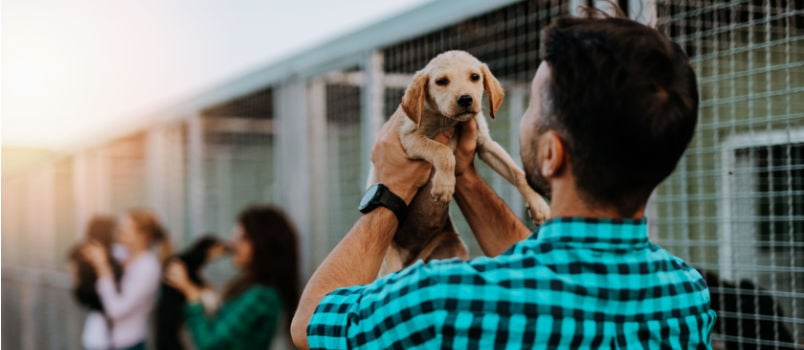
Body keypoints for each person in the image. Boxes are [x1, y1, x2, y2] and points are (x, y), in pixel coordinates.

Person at [291, 14, 716, 349]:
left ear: (552, 153)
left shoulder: (443, 300)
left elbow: (312, 324)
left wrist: (389, 191)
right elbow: (545, 268)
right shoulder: (686, 295)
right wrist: (465, 175)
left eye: (531, 105)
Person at [165, 205, 301, 350]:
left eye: (244, 238)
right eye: (235, 236)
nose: (233, 243)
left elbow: (210, 345)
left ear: (264, 244)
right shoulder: (251, 288)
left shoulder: (262, 296)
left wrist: (191, 293)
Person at [82, 208, 173, 350]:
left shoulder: (148, 267)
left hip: (127, 343)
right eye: (120, 225)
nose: (119, 230)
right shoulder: (121, 253)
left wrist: (102, 268)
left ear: (143, 236)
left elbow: (116, 310)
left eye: (126, 227)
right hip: (104, 341)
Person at [155, 235, 229, 350]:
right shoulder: (187, 263)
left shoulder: (194, 265)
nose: (219, 255)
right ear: (210, 247)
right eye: (220, 250)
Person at [68, 215, 125, 349]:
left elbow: (78, 287)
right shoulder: (107, 257)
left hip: (98, 326)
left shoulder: (81, 253)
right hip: (103, 327)